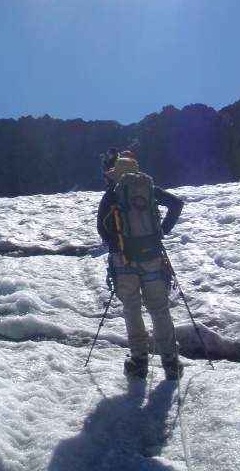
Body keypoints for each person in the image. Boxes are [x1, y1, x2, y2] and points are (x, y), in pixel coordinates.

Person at [96, 155, 185, 380]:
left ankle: (139, 362)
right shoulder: (149, 189)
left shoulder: (113, 194)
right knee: (160, 309)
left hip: (124, 260)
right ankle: (171, 363)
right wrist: (161, 231)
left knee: (132, 310)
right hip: (153, 257)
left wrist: (118, 242)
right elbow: (177, 203)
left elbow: (102, 230)